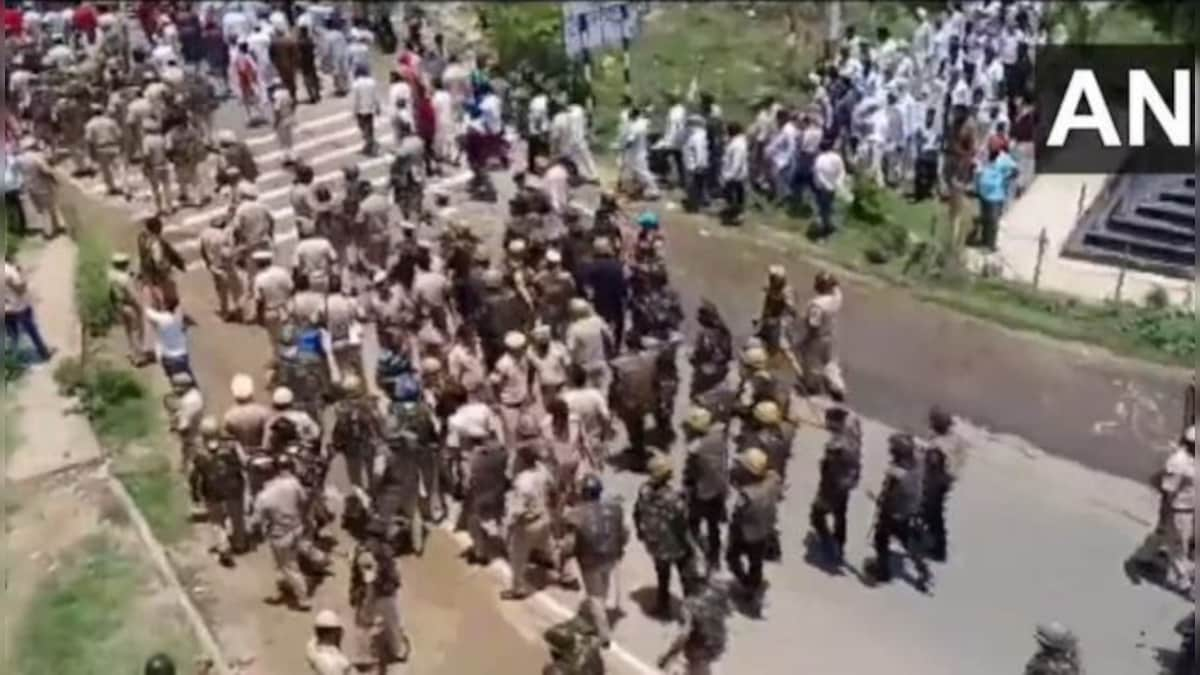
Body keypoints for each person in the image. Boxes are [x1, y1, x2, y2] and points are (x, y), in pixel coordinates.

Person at [1126, 425, 1195, 592]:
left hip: (1190, 508)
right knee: (1178, 546)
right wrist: (1165, 515)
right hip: (1178, 511)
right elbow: (1168, 492)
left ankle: (1142, 557)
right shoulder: (1178, 462)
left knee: (1162, 535)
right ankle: (1183, 581)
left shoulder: (1194, 459)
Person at [634, 452, 697, 617]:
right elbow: (683, 523)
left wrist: (640, 532)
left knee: (662, 576)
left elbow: (637, 513)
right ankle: (691, 612)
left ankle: (663, 605)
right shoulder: (673, 499)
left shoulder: (644, 491)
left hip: (655, 544)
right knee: (686, 578)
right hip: (675, 545)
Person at [867, 433, 932, 591]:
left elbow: (892, 494)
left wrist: (883, 505)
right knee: (905, 538)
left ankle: (883, 572)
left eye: (893, 448)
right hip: (908, 510)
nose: (891, 451)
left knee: (881, 538)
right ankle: (922, 568)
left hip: (895, 510)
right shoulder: (916, 464)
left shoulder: (899, 472)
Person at [726, 448, 781, 617]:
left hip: (747, 533)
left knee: (731, 557)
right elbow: (773, 474)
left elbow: (737, 518)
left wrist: (732, 533)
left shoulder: (747, 495)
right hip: (764, 530)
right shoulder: (773, 481)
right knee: (756, 563)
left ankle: (746, 583)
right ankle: (753, 590)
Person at [808, 406, 863, 566]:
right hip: (848, 480)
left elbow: (828, 472)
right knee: (840, 515)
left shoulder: (836, 447)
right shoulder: (853, 430)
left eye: (830, 424)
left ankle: (828, 544)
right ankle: (840, 544)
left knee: (816, 515)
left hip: (834, 486)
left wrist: (823, 492)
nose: (828, 427)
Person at [191, 416, 247, 566]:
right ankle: (239, 543)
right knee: (237, 516)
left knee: (217, 521)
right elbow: (244, 462)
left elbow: (195, 474)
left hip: (212, 490)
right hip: (234, 487)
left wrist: (195, 493)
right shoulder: (231, 444)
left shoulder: (199, 450)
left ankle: (223, 546)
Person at [681, 405, 727, 570]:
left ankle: (696, 555)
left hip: (701, 493)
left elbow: (690, 475)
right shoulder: (718, 437)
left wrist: (685, 491)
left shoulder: (696, 448)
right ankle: (715, 558)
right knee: (713, 526)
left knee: (693, 523)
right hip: (719, 488)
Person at [921, 405, 968, 562]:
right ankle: (931, 538)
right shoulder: (956, 440)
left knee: (932, 512)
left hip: (937, 481)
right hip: (947, 480)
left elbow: (933, 461)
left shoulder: (939, 445)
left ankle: (937, 547)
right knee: (933, 509)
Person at [656, 577, 730, 674]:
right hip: (716, 644)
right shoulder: (717, 603)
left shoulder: (691, 605)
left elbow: (683, 634)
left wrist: (669, 655)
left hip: (699, 646)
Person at [796, 272, 845, 400]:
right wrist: (832, 280)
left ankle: (812, 387)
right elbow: (836, 286)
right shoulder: (837, 298)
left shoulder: (817, 305)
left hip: (817, 339)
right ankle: (838, 386)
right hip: (831, 336)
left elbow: (813, 325)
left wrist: (805, 341)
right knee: (831, 363)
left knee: (811, 363)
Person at [4, 254, 54, 363]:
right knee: (31, 329)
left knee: (12, 334)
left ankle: (11, 359)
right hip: (18, 306)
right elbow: (20, 290)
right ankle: (44, 353)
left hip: (5, 308)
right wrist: (24, 276)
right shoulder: (8, 271)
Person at [973, 139, 1018, 250]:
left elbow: (1015, 171)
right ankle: (984, 242)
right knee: (985, 219)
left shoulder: (1004, 159)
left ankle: (991, 245)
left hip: (996, 196)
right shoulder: (985, 156)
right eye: (991, 148)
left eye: (994, 149)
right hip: (983, 193)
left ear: (998, 150)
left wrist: (1005, 178)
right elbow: (977, 165)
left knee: (993, 221)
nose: (992, 151)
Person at [145, 296, 194, 382]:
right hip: (183, 356)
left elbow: (148, 312)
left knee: (168, 371)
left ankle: (171, 378)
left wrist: (150, 303)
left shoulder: (162, 318)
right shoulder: (180, 318)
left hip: (169, 358)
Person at [811, 139, 847, 239]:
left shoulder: (820, 159)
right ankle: (827, 228)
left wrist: (825, 185)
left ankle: (823, 230)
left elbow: (818, 174)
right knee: (829, 208)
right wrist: (838, 183)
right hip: (833, 186)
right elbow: (842, 172)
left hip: (822, 188)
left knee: (822, 209)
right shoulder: (837, 157)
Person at [307, 610, 354, 674]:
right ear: (332, 633)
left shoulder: (315, 652)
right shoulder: (329, 660)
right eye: (338, 632)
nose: (340, 636)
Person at [719, 121, 748, 224]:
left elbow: (737, 162)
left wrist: (729, 176)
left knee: (734, 199)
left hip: (735, 177)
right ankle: (735, 216)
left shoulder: (737, 145)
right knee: (735, 198)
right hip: (734, 175)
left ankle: (735, 218)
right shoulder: (736, 142)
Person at [682, 114, 710, 212]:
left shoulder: (697, 137)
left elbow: (699, 153)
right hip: (696, 166)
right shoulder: (698, 135)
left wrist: (698, 166)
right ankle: (701, 202)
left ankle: (694, 207)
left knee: (693, 187)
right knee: (699, 186)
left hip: (694, 167)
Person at [351, 65, 381, 156]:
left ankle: (369, 144)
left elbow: (355, 100)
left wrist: (353, 112)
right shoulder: (372, 82)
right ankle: (369, 142)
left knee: (363, 127)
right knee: (369, 127)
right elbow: (375, 96)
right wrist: (378, 107)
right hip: (370, 109)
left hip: (361, 110)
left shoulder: (356, 84)